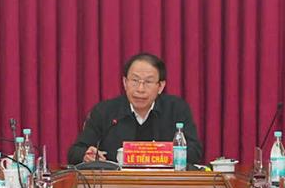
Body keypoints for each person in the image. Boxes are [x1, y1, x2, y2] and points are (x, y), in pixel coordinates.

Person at [66, 52, 204, 165]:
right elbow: (75, 152)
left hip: (165, 185)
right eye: (135, 80)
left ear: (160, 86)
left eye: (148, 82)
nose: (140, 89)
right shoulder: (104, 111)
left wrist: (160, 155)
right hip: (116, 186)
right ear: (125, 82)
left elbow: (195, 152)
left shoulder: (176, 109)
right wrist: (86, 155)